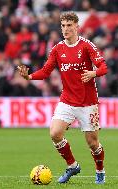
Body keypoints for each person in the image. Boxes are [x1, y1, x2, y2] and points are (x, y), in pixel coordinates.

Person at [17, 12, 107, 184]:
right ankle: (72, 165)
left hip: (88, 102)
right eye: (63, 26)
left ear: (76, 27)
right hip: (67, 100)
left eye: (69, 25)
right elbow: (45, 71)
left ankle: (100, 171)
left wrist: (94, 73)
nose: (65, 29)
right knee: (55, 133)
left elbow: (104, 67)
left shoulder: (87, 46)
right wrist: (29, 77)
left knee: (92, 143)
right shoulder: (57, 49)